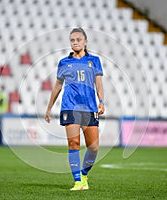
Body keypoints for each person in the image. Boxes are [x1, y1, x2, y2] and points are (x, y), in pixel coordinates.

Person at [45, 27, 105, 191]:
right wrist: (49, 108)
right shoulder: (64, 62)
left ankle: (84, 174)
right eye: (72, 40)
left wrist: (102, 101)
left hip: (89, 107)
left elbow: (98, 82)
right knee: (73, 144)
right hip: (70, 106)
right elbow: (57, 86)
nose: (75, 42)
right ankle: (77, 181)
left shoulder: (94, 61)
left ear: (85, 42)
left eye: (78, 39)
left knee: (93, 147)